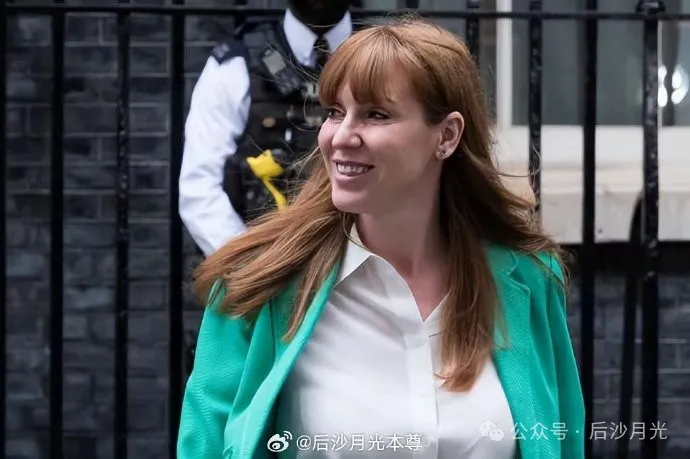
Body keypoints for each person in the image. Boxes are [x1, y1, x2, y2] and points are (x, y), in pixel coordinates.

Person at [177, 15, 585, 459]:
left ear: (447, 135)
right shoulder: (254, 288)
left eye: (376, 114)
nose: (340, 137)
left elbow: (563, 439)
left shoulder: (529, 281)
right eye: (335, 112)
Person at [179, 0, 354, 256]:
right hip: (259, 253)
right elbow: (200, 184)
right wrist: (250, 264)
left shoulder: (385, 58)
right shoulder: (237, 64)